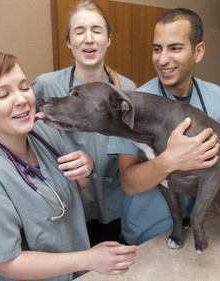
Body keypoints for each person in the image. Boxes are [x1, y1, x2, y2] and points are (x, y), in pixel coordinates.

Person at [108, 8, 220, 245]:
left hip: (205, 228)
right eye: (157, 49)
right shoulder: (132, 106)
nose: (162, 59)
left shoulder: (218, 98)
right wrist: (169, 160)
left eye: (175, 48)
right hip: (149, 234)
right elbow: (128, 182)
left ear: (198, 51)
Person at [0, 52, 138, 281]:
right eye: (3, 94)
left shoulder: (42, 132)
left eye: (24, 87)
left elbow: (70, 189)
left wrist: (86, 166)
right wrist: (88, 258)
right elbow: (7, 262)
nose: (21, 99)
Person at [32, 0, 138, 245]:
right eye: (79, 31)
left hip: (114, 207)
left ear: (108, 39)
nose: (88, 38)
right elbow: (16, 136)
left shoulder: (127, 91)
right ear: (69, 42)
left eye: (97, 31)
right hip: (68, 204)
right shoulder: (46, 86)